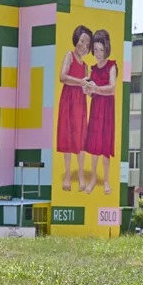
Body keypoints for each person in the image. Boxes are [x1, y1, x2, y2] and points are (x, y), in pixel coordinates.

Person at [56, 25, 94, 192]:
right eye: (82, 41)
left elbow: (84, 88)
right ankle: (67, 176)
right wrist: (81, 82)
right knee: (68, 135)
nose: (84, 46)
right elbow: (62, 77)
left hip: (80, 103)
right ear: (76, 40)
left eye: (88, 44)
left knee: (81, 137)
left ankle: (80, 176)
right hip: (68, 100)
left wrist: (90, 89)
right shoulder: (69, 56)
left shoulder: (85, 66)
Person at [83, 29, 117, 195]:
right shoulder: (93, 69)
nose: (97, 53)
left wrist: (96, 88)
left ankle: (106, 180)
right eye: (95, 49)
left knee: (105, 146)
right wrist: (87, 90)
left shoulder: (112, 66)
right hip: (96, 109)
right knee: (95, 146)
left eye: (101, 50)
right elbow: (92, 92)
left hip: (107, 110)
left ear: (107, 49)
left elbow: (112, 88)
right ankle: (93, 179)